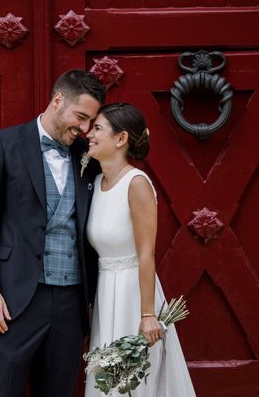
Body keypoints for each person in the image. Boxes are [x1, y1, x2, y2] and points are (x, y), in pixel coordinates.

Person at [0, 69, 106, 397]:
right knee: (5, 390)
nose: (85, 129)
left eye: (91, 122)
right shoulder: (5, 143)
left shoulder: (87, 156)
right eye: (80, 117)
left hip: (72, 300)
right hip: (16, 298)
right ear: (58, 101)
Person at [84, 103, 197, 396]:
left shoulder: (136, 184)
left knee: (136, 382)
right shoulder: (96, 183)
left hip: (134, 295)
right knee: (108, 380)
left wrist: (148, 314)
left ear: (121, 139)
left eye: (97, 128)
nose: (89, 134)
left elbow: (146, 253)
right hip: (106, 292)